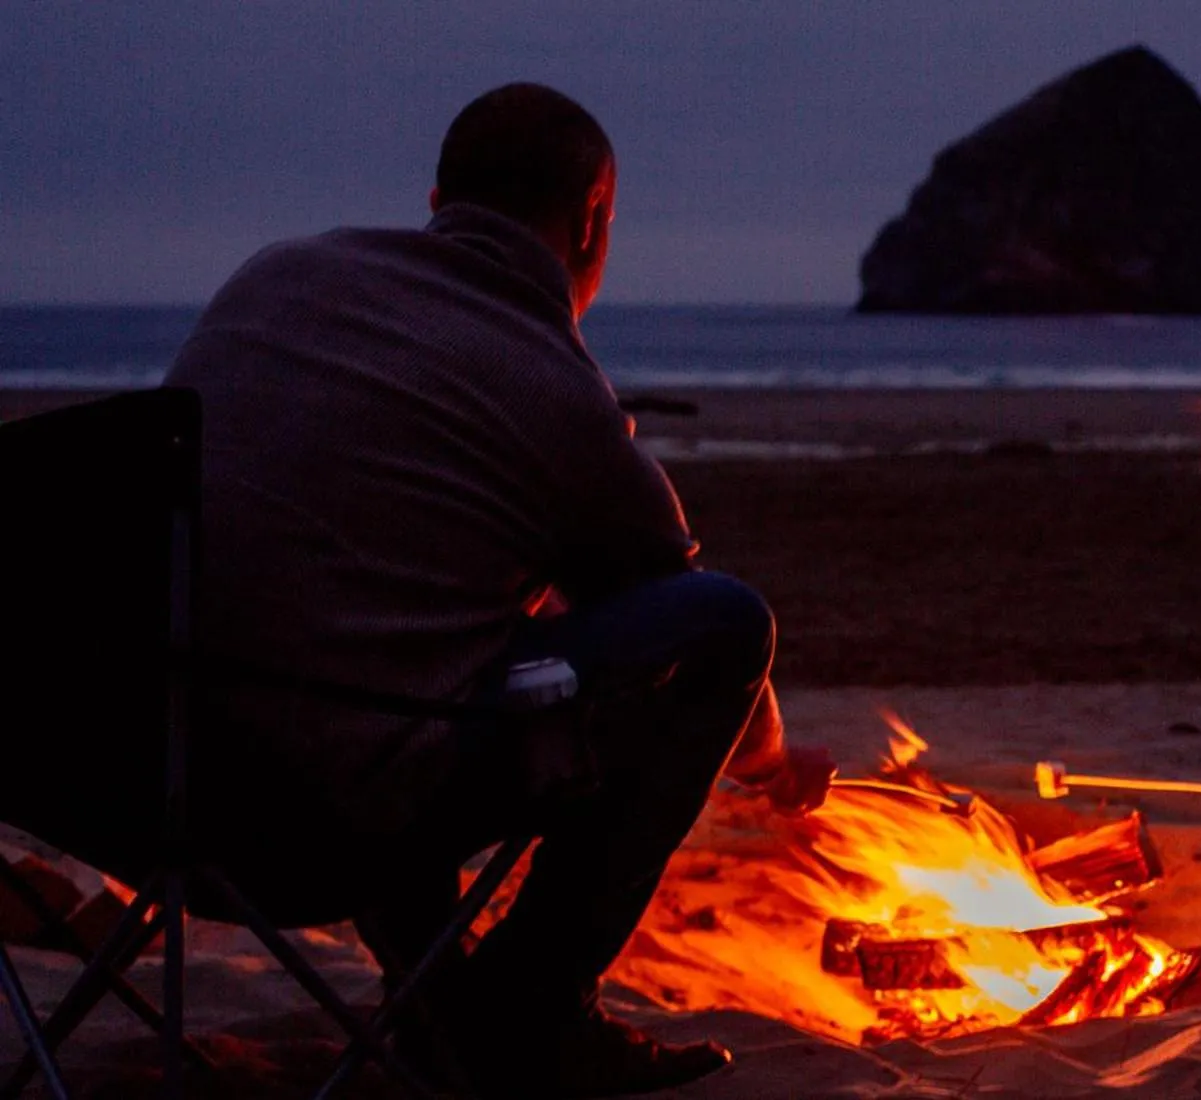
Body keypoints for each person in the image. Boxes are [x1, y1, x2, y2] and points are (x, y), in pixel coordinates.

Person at [161, 83, 834, 1096]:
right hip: (320, 820)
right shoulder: (549, 386)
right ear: (592, 220)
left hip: (143, 784)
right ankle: (523, 1010)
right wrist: (771, 761)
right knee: (723, 620)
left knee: (399, 639)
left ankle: (438, 1006)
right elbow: (680, 615)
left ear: (437, 200)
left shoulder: (277, 279)